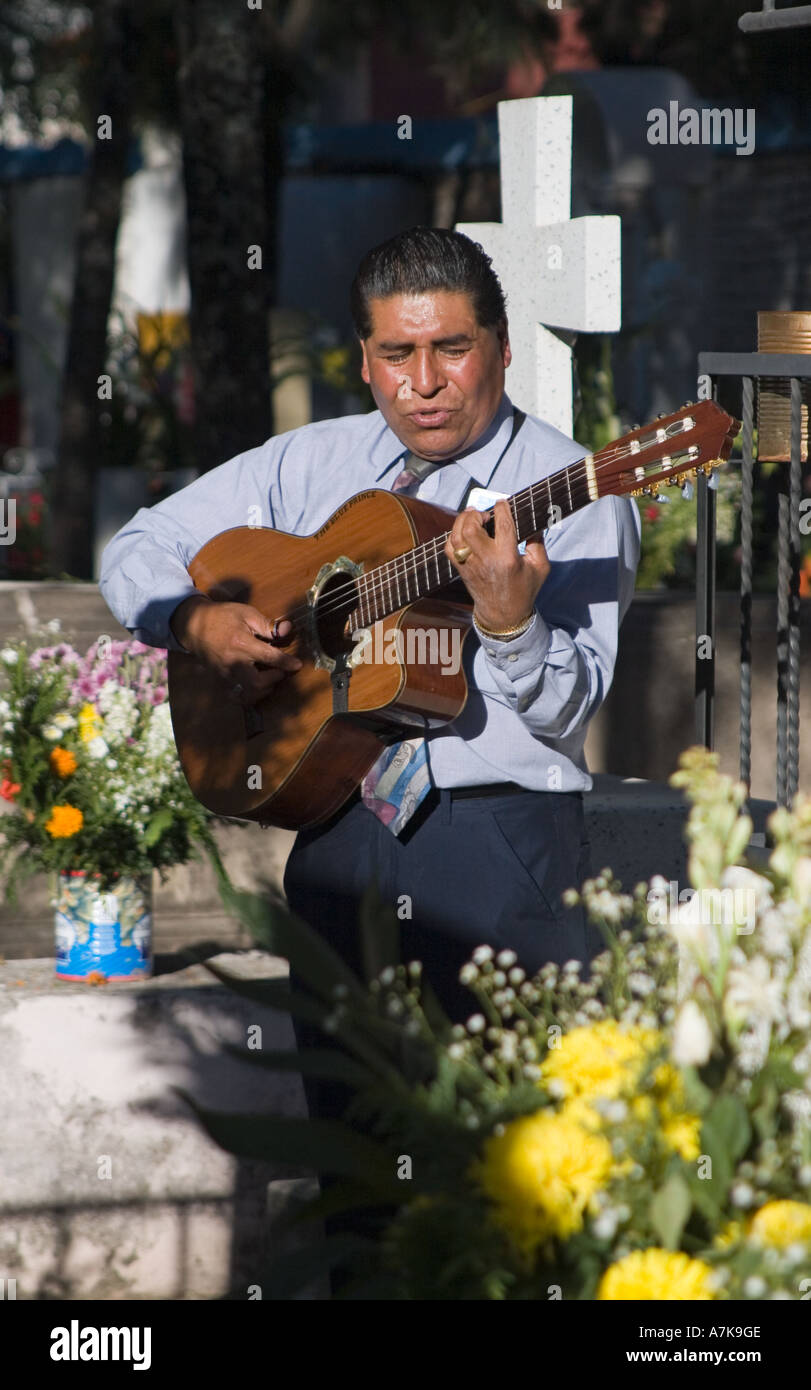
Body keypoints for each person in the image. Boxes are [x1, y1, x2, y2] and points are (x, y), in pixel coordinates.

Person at [99, 227, 641, 1130]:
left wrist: (509, 623)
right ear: (364, 360)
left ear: (500, 351)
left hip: (497, 849)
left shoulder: (569, 490)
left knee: (507, 1154)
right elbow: (138, 545)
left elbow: (565, 710)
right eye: (397, 354)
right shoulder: (311, 462)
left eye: (451, 349)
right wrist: (192, 620)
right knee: (352, 1158)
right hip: (334, 831)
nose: (423, 383)